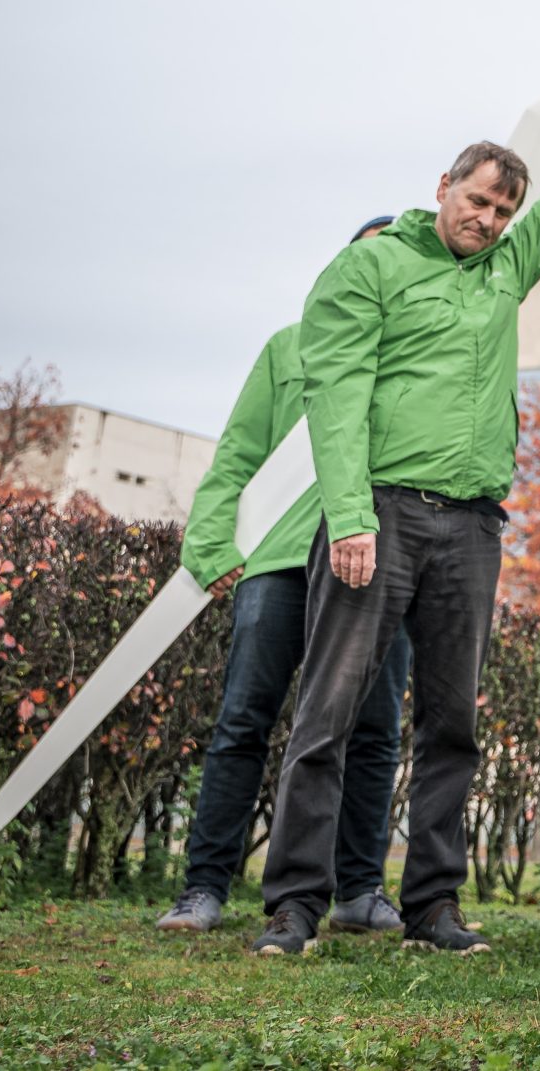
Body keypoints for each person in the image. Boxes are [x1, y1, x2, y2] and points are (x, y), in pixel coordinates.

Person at [251, 138, 540, 957]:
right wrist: (350, 514)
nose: (490, 219)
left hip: (471, 525)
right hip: (382, 515)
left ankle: (432, 905)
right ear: (444, 187)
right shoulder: (371, 269)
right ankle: (294, 903)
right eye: (478, 200)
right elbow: (336, 393)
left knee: (452, 721)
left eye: (503, 210)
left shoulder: (506, 266)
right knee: (330, 710)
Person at [157, 219, 413, 935]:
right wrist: (209, 541)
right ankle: (203, 888)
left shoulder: (419, 355)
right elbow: (238, 451)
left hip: (375, 564)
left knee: (373, 731)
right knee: (245, 721)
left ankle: (359, 891)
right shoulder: (288, 347)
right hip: (275, 560)